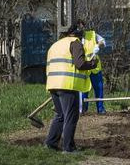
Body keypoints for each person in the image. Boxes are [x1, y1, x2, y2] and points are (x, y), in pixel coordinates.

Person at [44, 23, 98, 154]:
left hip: (53, 84)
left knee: (60, 115)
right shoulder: (76, 43)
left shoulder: (56, 44)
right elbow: (79, 64)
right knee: (71, 116)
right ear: (79, 34)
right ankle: (68, 148)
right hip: (67, 84)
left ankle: (50, 143)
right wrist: (92, 63)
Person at [76, 20, 106, 114]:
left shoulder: (92, 34)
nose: (81, 29)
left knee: (99, 89)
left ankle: (100, 109)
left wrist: (98, 46)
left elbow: (103, 42)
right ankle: (83, 110)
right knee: (83, 91)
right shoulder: (74, 39)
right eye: (79, 28)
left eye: (82, 27)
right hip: (83, 68)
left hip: (95, 68)